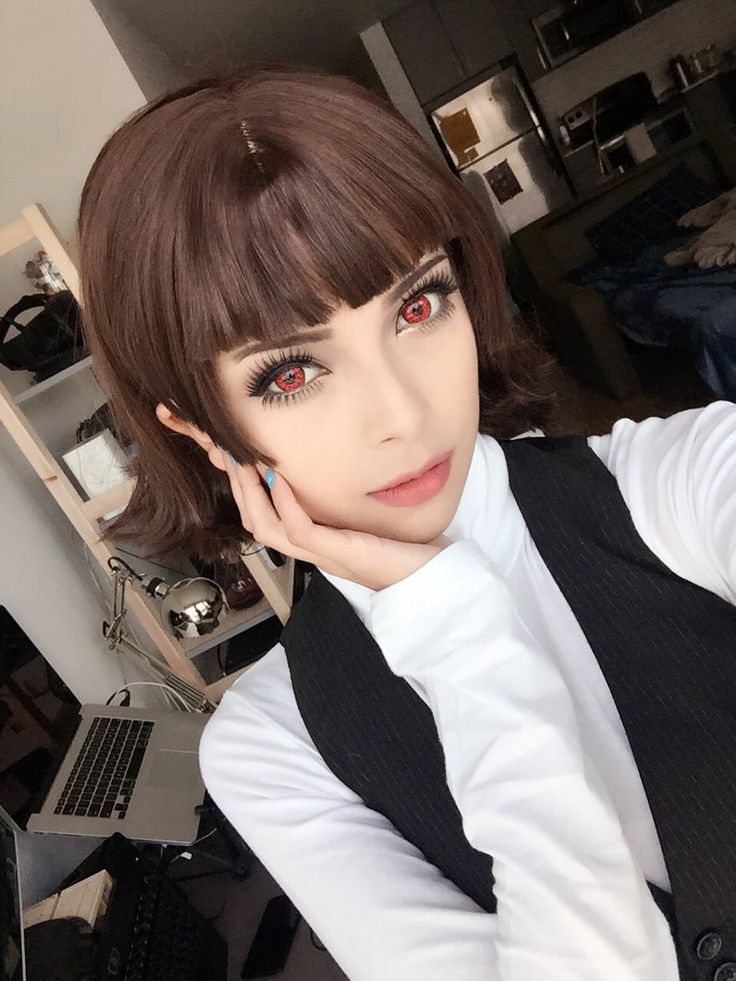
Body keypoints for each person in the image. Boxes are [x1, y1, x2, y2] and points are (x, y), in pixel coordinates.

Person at [76, 66, 736, 981]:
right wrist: (456, 623)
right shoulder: (275, 744)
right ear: (199, 425)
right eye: (292, 373)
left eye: (418, 306)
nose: (400, 411)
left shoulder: (678, 483)